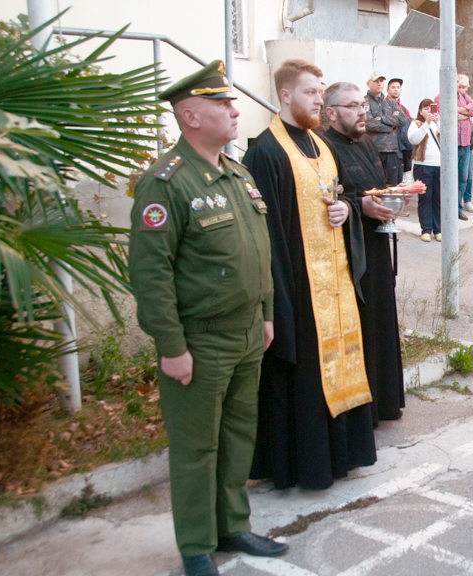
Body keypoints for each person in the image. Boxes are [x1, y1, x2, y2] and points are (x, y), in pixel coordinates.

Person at [129, 61, 287, 576]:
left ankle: (232, 527)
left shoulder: (236, 173)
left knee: (239, 435)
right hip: (199, 340)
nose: (234, 109)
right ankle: (196, 546)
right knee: (197, 447)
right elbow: (151, 276)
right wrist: (171, 346)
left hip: (246, 333)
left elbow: (257, 252)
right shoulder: (165, 183)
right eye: (223, 103)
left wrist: (265, 314)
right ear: (190, 115)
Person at [243, 61, 378, 493]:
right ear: (285, 95)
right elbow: (266, 235)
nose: (319, 100)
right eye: (310, 93)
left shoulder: (321, 146)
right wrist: (279, 300)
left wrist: (345, 212)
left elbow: (337, 200)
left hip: (334, 281)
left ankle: (341, 455)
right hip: (298, 288)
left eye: (321, 93)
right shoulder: (265, 151)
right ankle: (306, 466)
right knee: (302, 375)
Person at [322, 81, 411, 424]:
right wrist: (362, 206)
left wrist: (391, 196)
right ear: (331, 113)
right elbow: (328, 204)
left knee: (381, 325)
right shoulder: (325, 148)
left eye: (362, 105)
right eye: (353, 106)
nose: (363, 112)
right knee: (362, 331)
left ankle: (384, 403)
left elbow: (373, 188)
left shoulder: (366, 143)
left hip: (377, 248)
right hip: (350, 255)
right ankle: (364, 413)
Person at [435, 73, 473, 219]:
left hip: (465, 142)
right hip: (450, 144)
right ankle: (448, 207)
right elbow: (447, 114)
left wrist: (457, 110)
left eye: (457, 82)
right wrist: (465, 113)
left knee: (463, 177)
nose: (456, 85)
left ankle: (458, 208)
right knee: (449, 176)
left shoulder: (464, 97)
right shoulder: (440, 97)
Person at [362, 72, 408, 185]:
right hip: (373, 149)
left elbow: (403, 120)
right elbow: (368, 124)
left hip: (392, 150)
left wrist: (381, 119)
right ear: (368, 84)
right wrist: (391, 126)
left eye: (381, 81)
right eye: (376, 81)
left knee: (391, 186)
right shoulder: (364, 101)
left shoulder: (390, 102)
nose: (379, 83)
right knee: (373, 185)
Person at [408, 98, 442, 242]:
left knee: (438, 198)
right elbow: (413, 139)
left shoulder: (439, 124)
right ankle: (426, 229)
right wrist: (426, 124)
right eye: (426, 108)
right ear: (421, 111)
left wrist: (438, 121)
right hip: (423, 166)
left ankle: (438, 229)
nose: (429, 111)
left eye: (431, 108)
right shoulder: (416, 124)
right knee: (425, 198)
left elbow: (449, 139)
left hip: (440, 166)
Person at [387, 78, 414, 215]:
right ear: (388, 90)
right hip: (390, 147)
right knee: (391, 179)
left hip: (402, 147)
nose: (396, 89)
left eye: (398, 87)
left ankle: (399, 207)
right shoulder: (384, 105)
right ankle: (391, 208)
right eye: (393, 87)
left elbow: (406, 123)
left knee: (400, 178)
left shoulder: (403, 109)